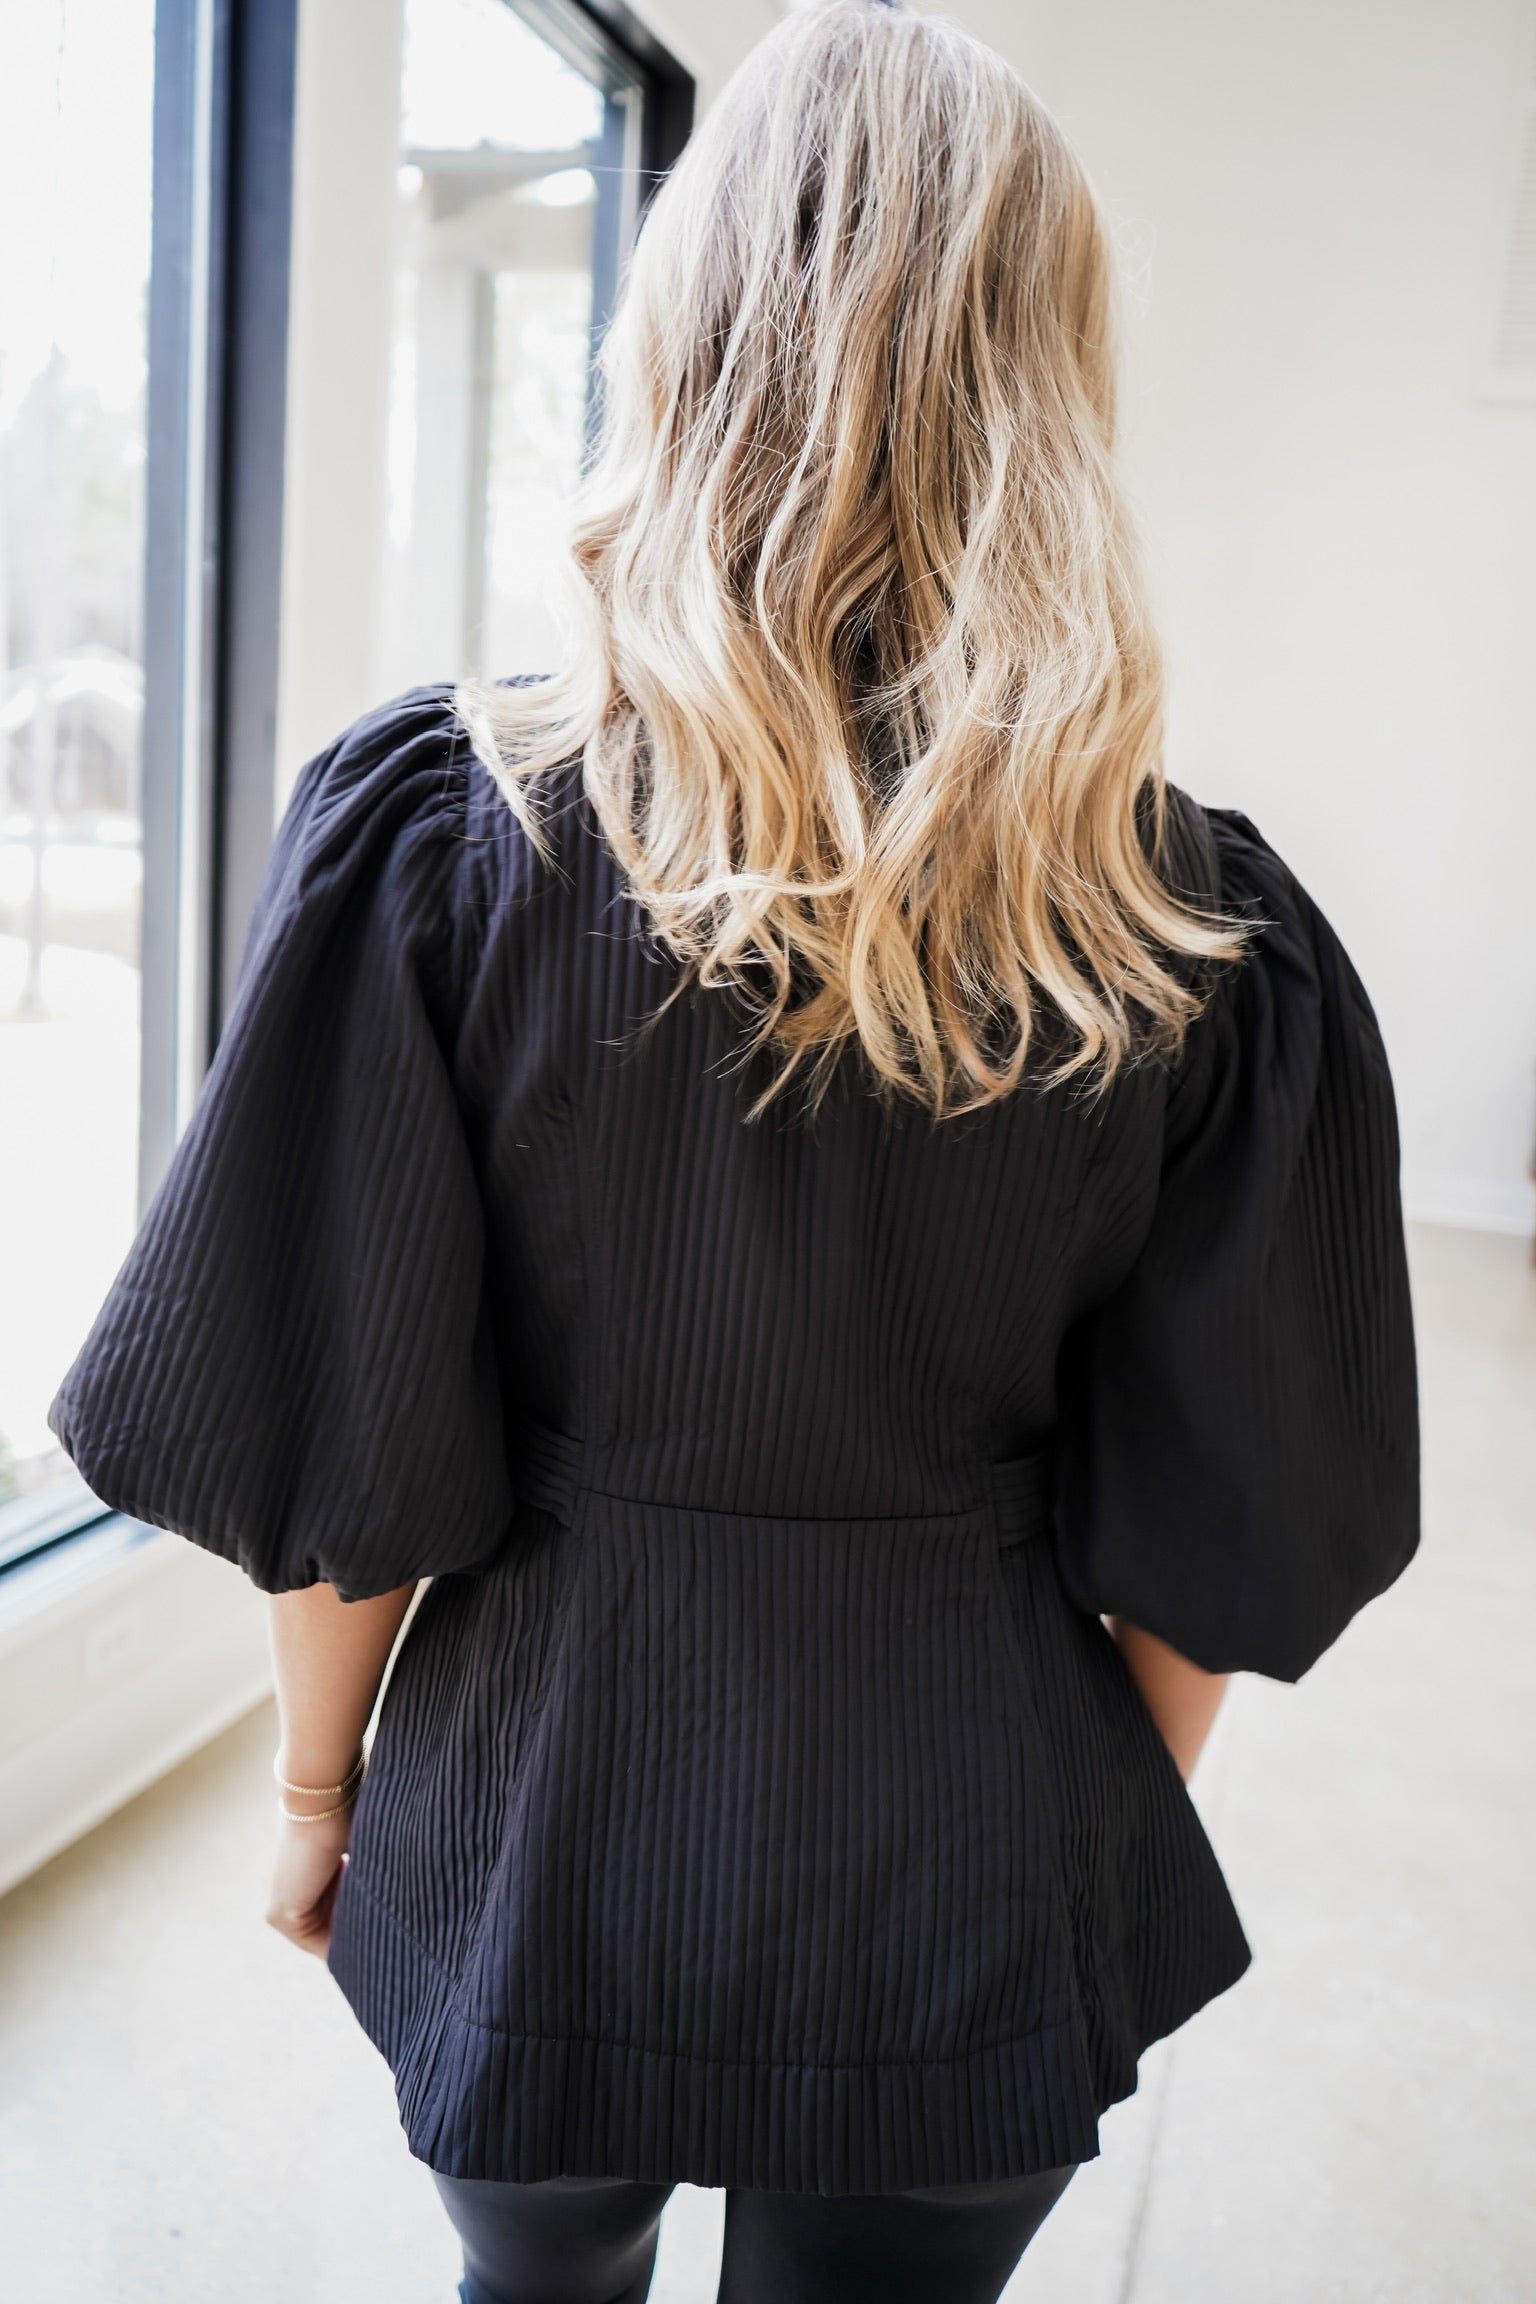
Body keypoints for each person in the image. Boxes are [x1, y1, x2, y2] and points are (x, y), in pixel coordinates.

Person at [50, 5, 1420, 2299]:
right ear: (1051, 381)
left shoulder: (446, 843)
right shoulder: (1197, 932)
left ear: (682, 340)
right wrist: (1059, 1839)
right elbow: (1229, 1519)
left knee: (535, 2282)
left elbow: (345, 1446)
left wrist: (314, 1795)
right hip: (976, 1838)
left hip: (536, 1827)